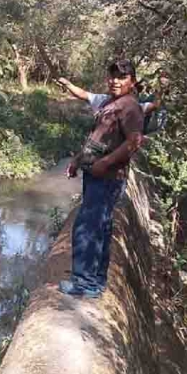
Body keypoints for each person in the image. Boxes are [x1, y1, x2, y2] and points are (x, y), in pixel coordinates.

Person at [55, 60, 144, 298]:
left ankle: (84, 283)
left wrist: (105, 163)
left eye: (122, 77)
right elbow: (96, 138)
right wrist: (76, 161)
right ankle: (95, 281)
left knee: (87, 227)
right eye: (113, 76)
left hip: (107, 178)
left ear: (132, 82)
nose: (115, 81)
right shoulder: (109, 102)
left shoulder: (130, 107)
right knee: (100, 227)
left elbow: (134, 142)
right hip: (96, 175)